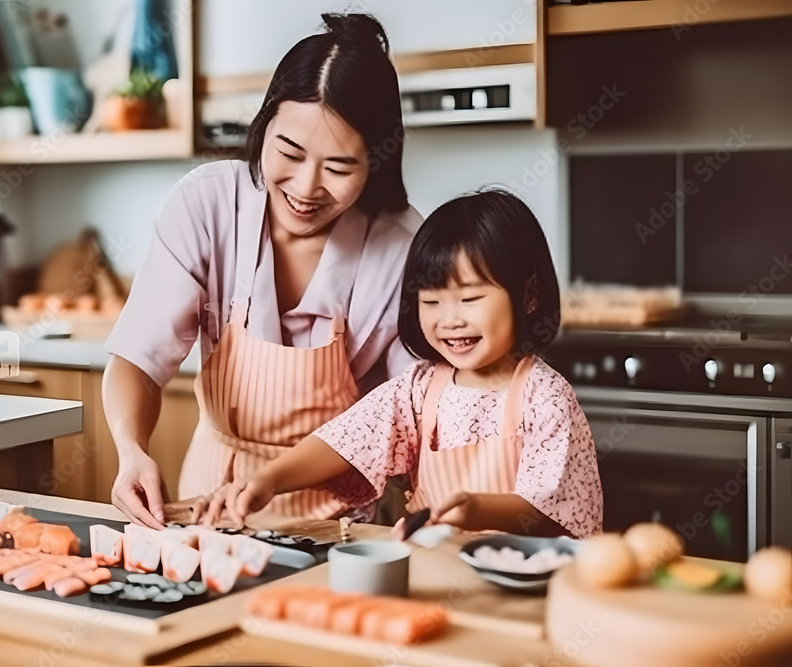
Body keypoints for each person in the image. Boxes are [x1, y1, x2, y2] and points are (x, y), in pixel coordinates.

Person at [103, 13, 423, 528]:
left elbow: (416, 412)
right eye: (289, 152)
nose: (305, 187)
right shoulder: (208, 203)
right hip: (207, 503)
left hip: (340, 523)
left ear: (377, 162)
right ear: (264, 124)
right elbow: (138, 358)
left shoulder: (404, 249)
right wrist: (130, 447)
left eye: (339, 168)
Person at [199, 190, 604, 539]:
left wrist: (477, 509)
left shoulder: (544, 395)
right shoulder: (421, 388)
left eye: (470, 299)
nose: (450, 319)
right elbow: (347, 440)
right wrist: (269, 480)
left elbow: (550, 508)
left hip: (520, 579)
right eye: (432, 302)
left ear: (529, 296)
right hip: (435, 569)